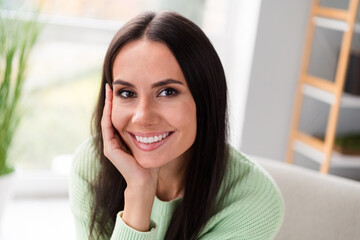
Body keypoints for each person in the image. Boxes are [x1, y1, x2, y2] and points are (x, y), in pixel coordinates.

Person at [69, 11, 284, 240]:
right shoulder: (91, 167)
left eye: (167, 92)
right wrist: (140, 192)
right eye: (127, 92)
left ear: (205, 99)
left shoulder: (252, 201)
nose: (142, 117)